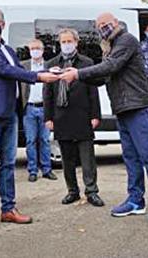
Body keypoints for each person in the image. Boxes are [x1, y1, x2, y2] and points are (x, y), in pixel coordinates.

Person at [60, 12, 148, 225]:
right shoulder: (110, 46)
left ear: (115, 23)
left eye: (106, 24)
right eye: (99, 26)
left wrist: (78, 73)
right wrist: (70, 76)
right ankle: (135, 200)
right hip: (122, 108)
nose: (103, 28)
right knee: (131, 158)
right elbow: (103, 77)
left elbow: (110, 66)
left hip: (137, 106)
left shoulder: (126, 40)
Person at [0, 7, 59, 232]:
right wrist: (39, 77)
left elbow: (21, 68)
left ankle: (8, 209)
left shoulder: (9, 49)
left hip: (11, 113)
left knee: (9, 164)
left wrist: (52, 71)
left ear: (3, 23)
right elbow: (5, 71)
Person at [44, 28, 104, 207]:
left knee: (87, 159)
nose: (66, 45)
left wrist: (95, 115)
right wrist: (48, 117)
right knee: (67, 159)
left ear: (76, 43)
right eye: (63, 42)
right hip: (61, 116)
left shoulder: (86, 62)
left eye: (70, 41)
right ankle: (72, 191)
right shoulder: (52, 64)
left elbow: (93, 91)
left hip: (82, 115)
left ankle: (91, 191)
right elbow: (47, 93)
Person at [21, 39, 57, 182]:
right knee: (30, 141)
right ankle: (33, 170)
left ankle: (47, 170)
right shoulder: (23, 66)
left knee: (45, 140)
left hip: (45, 108)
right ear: (29, 50)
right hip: (29, 108)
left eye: (38, 48)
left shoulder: (49, 66)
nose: (35, 51)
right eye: (32, 48)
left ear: (43, 50)